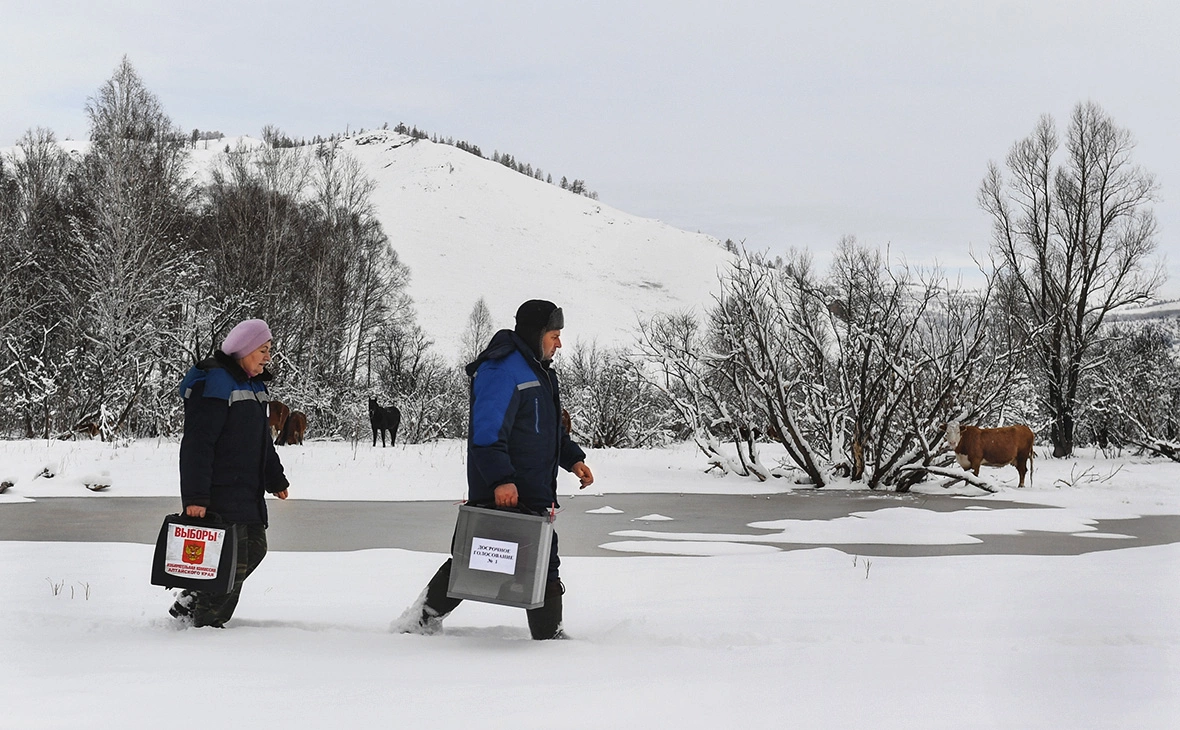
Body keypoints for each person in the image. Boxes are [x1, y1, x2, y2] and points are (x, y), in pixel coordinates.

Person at [400, 299, 594, 639]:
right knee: (473, 557)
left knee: (541, 559)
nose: (559, 344)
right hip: (504, 489)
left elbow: (546, 431)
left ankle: (549, 636)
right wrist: (501, 479)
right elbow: (487, 433)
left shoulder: (539, 371)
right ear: (536, 334)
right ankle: (420, 622)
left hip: (532, 488)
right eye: (554, 336)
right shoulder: (502, 370)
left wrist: (573, 459)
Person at [169, 318, 291, 628]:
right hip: (219, 490)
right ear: (244, 350)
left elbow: (261, 441)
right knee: (231, 562)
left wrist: (274, 478)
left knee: (255, 549)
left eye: (269, 350)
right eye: (262, 350)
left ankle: (191, 600)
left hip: (247, 490)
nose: (268, 357)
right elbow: (197, 445)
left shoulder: (254, 385)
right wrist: (196, 497)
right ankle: (206, 625)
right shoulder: (215, 383)